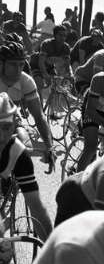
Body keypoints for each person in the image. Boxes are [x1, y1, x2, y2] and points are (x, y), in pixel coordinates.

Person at [0, 93, 52, 240]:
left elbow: (36, 207)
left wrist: (52, 247)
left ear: (14, 126)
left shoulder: (17, 152)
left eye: (6, 128)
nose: (1, 136)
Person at [0, 42, 55, 172]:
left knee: (26, 148)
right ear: (1, 64)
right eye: (13, 64)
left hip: (11, 122)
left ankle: (15, 180)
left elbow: (39, 117)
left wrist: (49, 147)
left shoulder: (26, 81)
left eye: (21, 64)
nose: (18, 70)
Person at [33, 25, 72, 97]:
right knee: (39, 84)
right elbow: (41, 62)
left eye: (64, 35)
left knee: (55, 86)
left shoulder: (66, 47)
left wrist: (69, 76)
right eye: (60, 35)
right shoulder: (46, 44)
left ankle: (51, 102)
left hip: (50, 67)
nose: (63, 38)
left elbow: (67, 65)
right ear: (54, 35)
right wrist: (45, 75)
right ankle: (38, 102)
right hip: (36, 65)